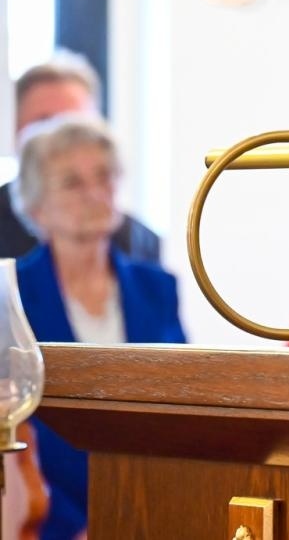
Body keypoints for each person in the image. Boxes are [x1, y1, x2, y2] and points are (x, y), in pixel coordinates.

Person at [14, 115, 186, 540]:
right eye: (72, 183)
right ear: (36, 206)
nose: (95, 194)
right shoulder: (11, 295)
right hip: (45, 520)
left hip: (151, 511)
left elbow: (184, 408)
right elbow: (15, 421)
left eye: (104, 176)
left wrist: (145, 508)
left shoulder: (157, 288)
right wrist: (75, 526)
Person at [0, 52, 162, 263]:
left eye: (77, 126)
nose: (61, 142)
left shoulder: (139, 242)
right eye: (45, 123)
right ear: (14, 129)